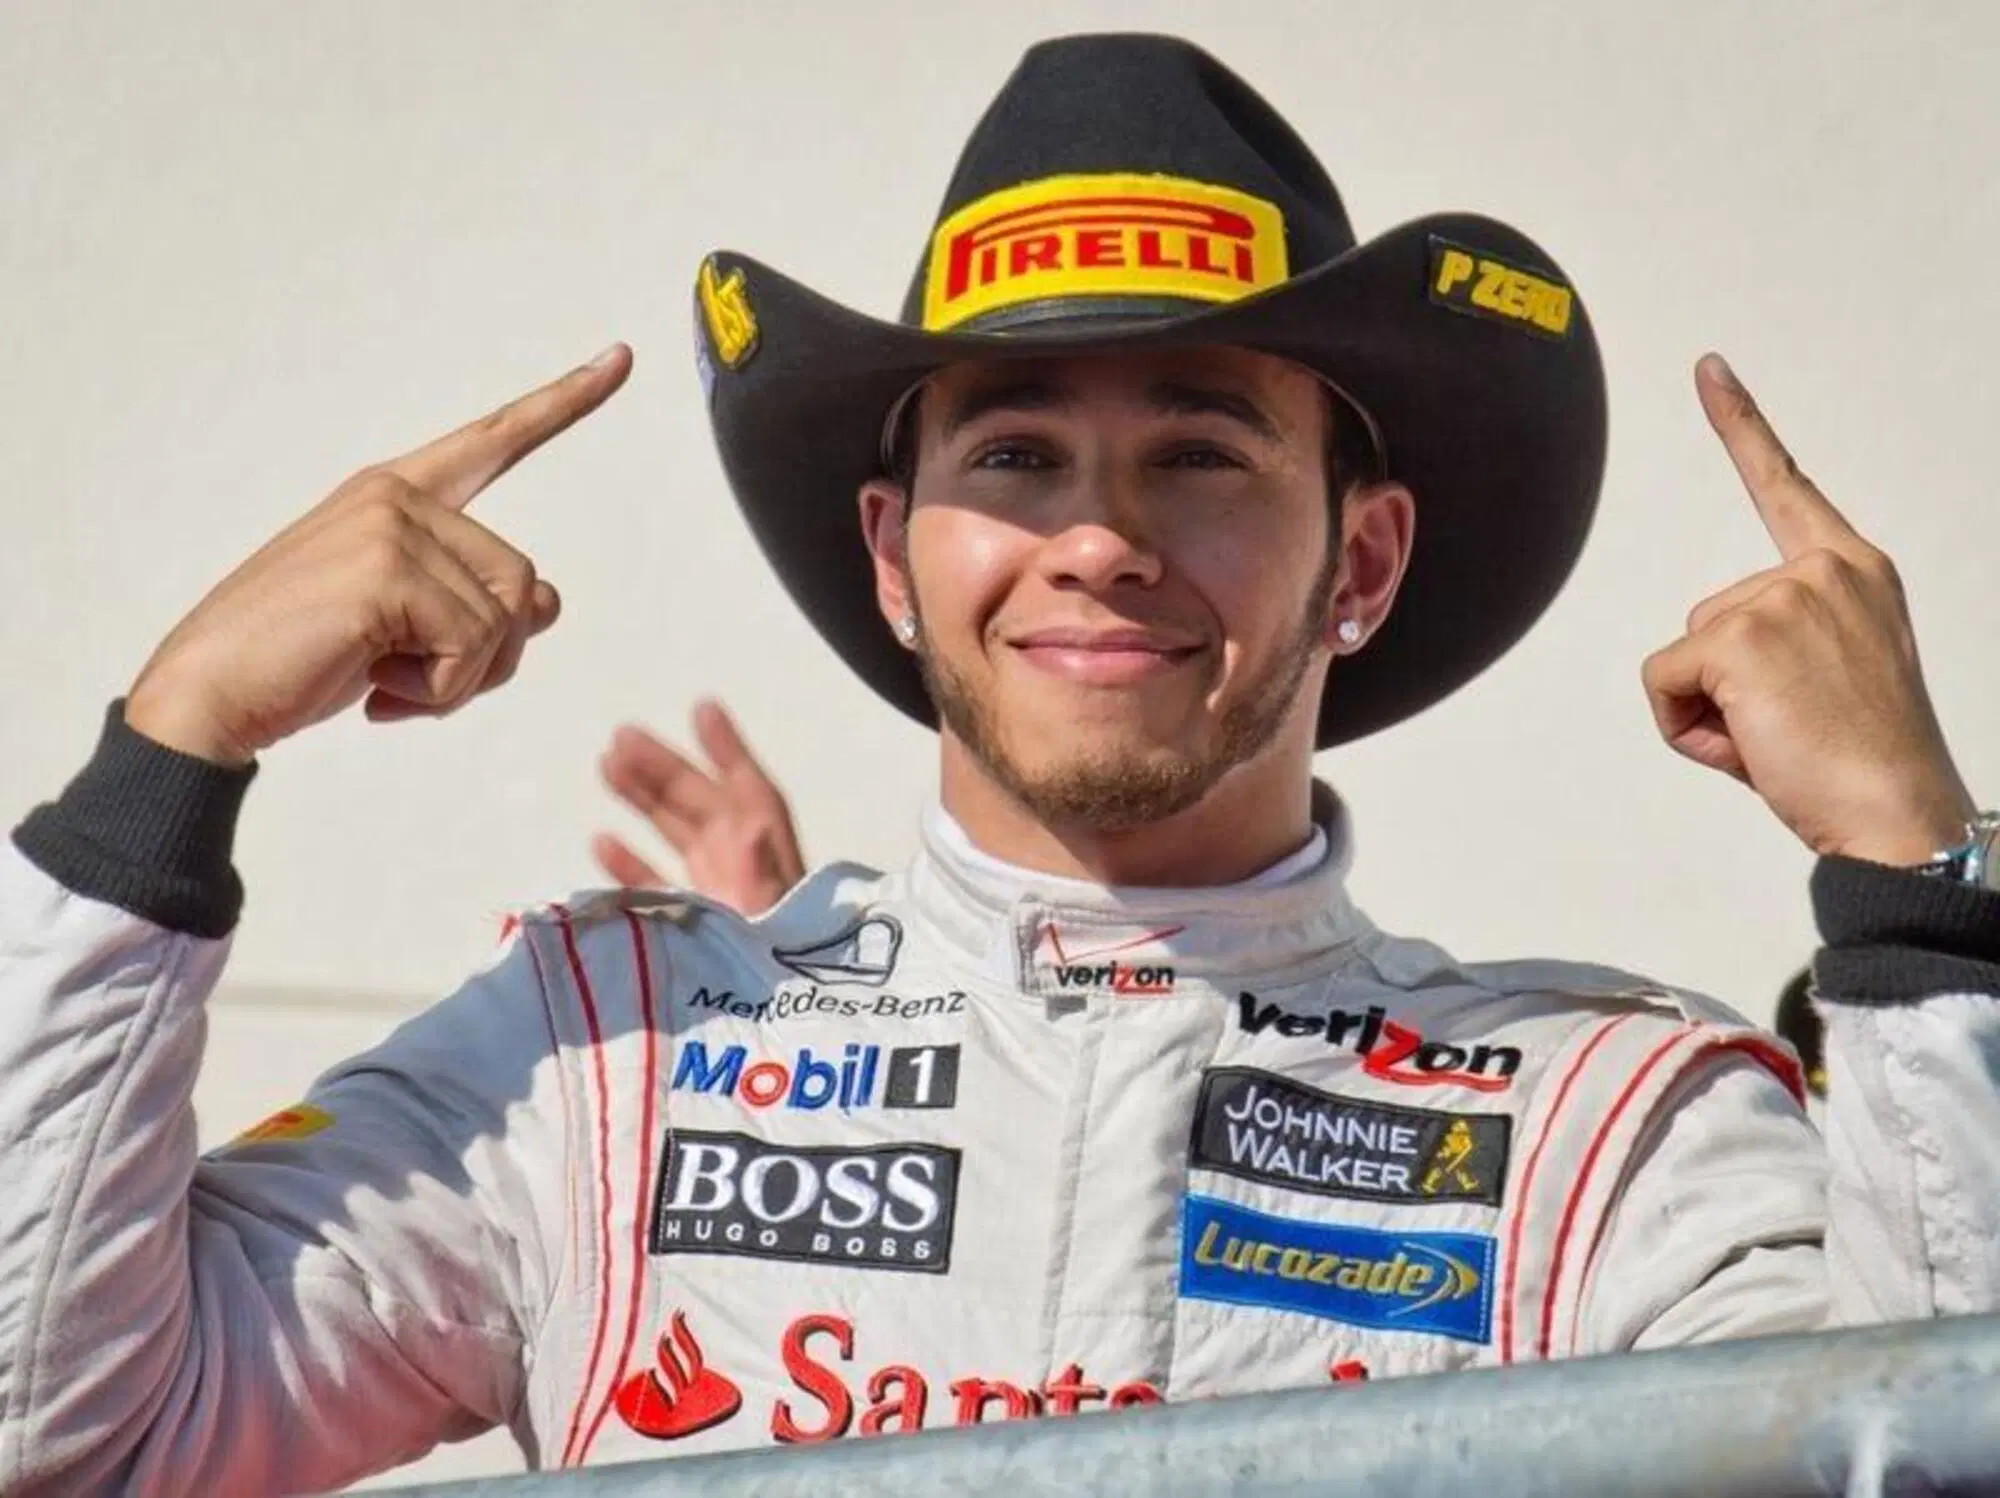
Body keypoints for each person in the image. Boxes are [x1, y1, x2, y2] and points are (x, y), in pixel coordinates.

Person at [3, 32, 1998, 1498]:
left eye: (1202, 454)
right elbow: (57, 1433)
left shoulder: (1606, 1125)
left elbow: (1926, 1462)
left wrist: (1917, 889)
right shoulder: (597, 1058)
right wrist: (168, 756)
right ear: (897, 554)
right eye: (1015, 454)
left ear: (1360, 559)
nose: (1100, 536)